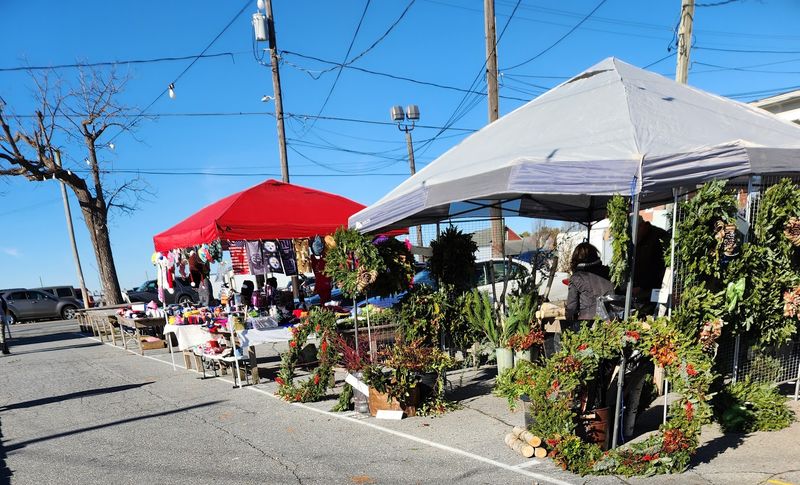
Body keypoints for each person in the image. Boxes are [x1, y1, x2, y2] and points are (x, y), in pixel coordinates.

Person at [565, 242, 614, 325]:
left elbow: (572, 308)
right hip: (611, 321)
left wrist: (568, 316)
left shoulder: (577, 277)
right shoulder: (608, 272)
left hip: (587, 323)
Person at [632, 217, 669, 301]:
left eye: (635, 231)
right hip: (642, 288)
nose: (634, 235)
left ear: (642, 226)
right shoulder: (641, 237)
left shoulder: (659, 237)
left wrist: (642, 286)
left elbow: (658, 267)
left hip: (655, 289)